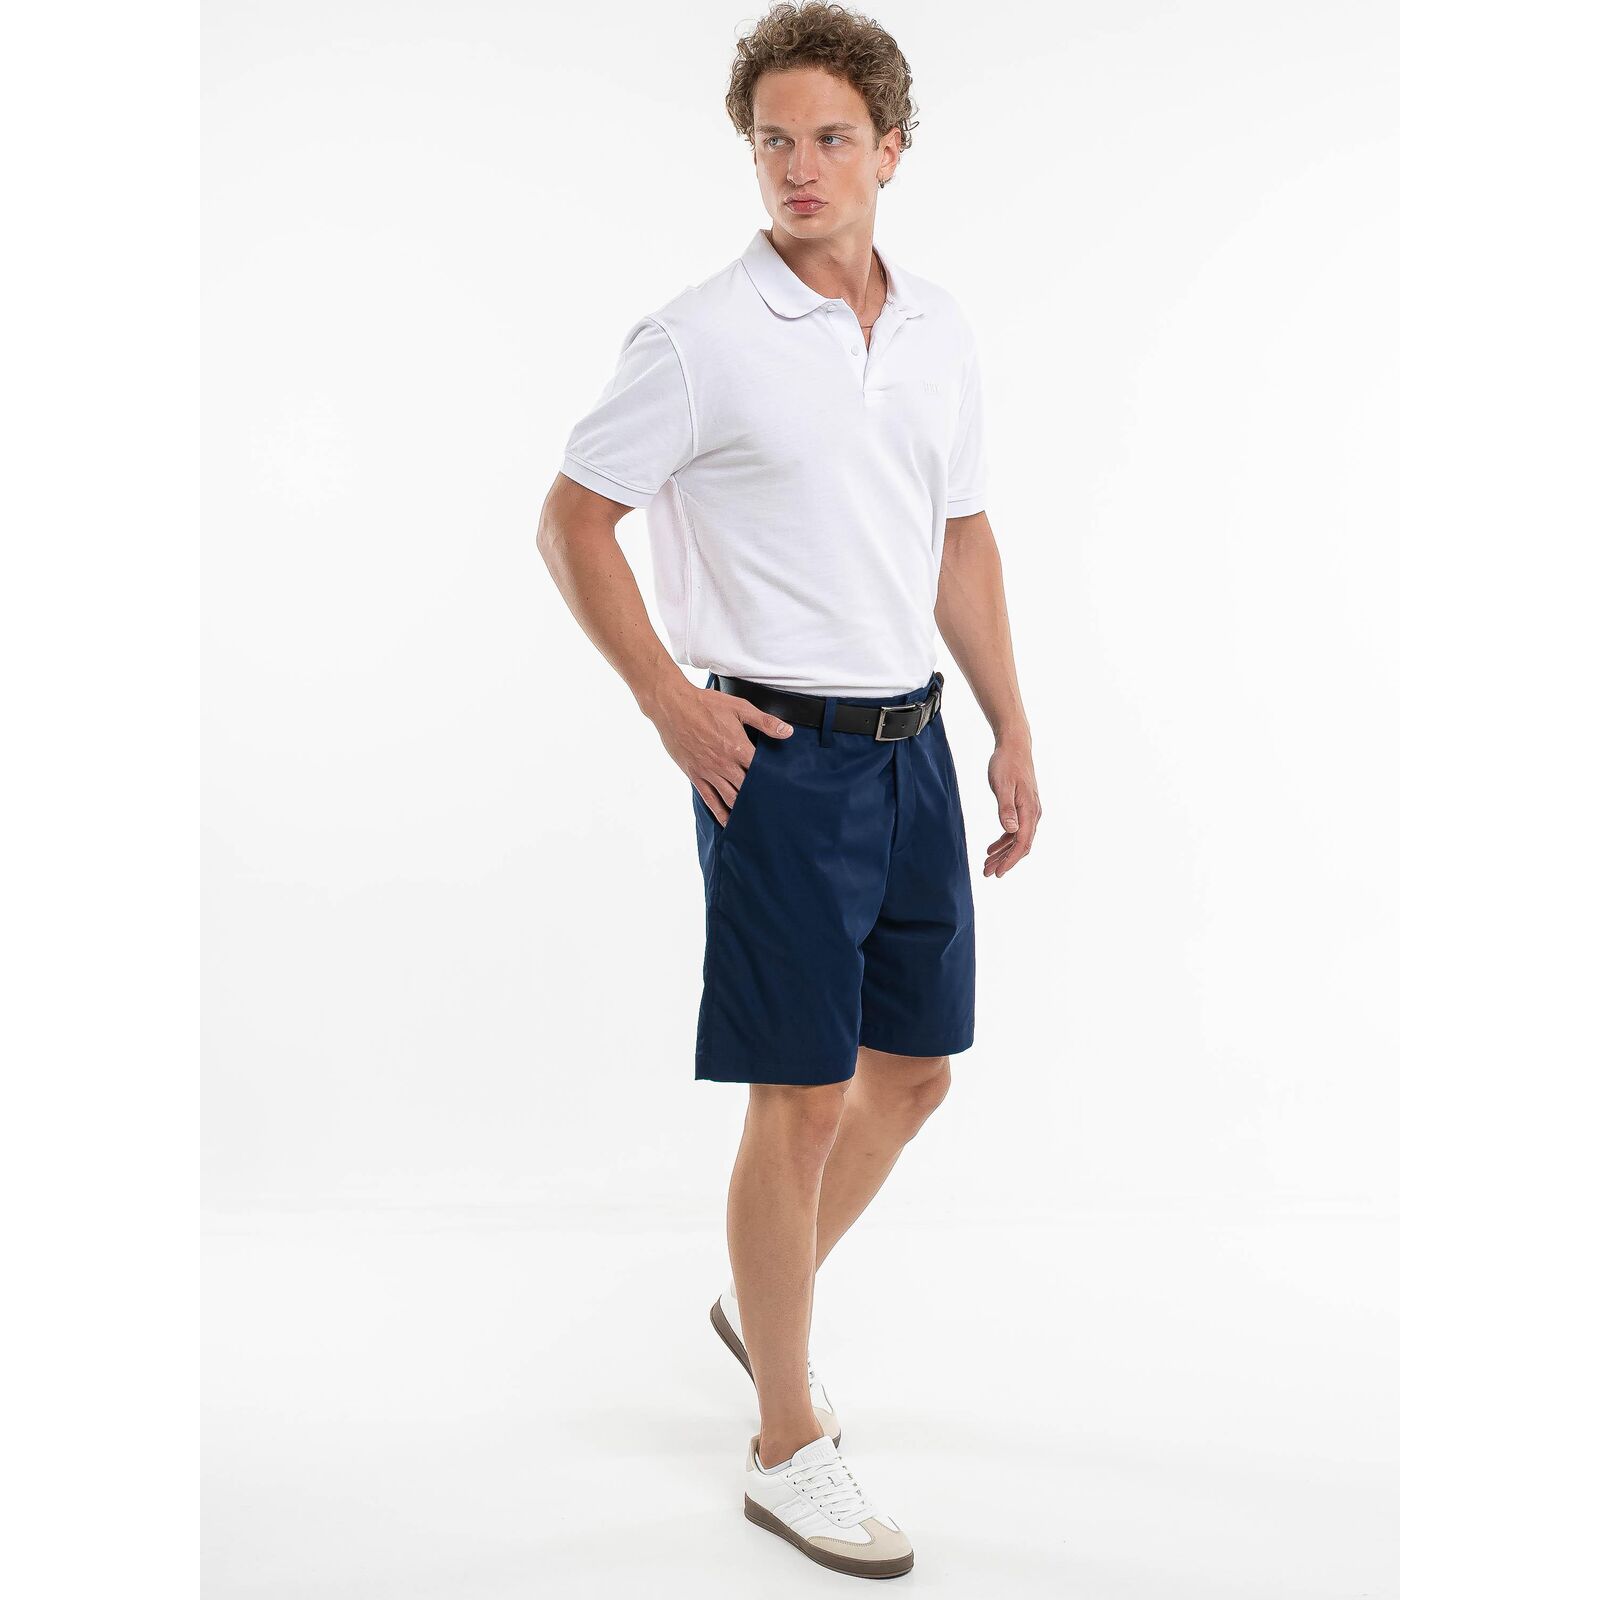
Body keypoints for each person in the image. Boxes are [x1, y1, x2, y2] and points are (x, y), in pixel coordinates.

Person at [537, 1, 1039, 1578]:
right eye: (773, 141)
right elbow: (572, 521)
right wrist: (666, 699)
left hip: (914, 746)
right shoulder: (699, 337)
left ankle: (763, 1299)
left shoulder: (938, 329)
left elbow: (959, 534)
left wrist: (1013, 726)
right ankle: (784, 1446)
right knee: (804, 1094)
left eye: (830, 138)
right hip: (779, 761)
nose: (799, 167)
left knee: (916, 1074)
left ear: (893, 147)